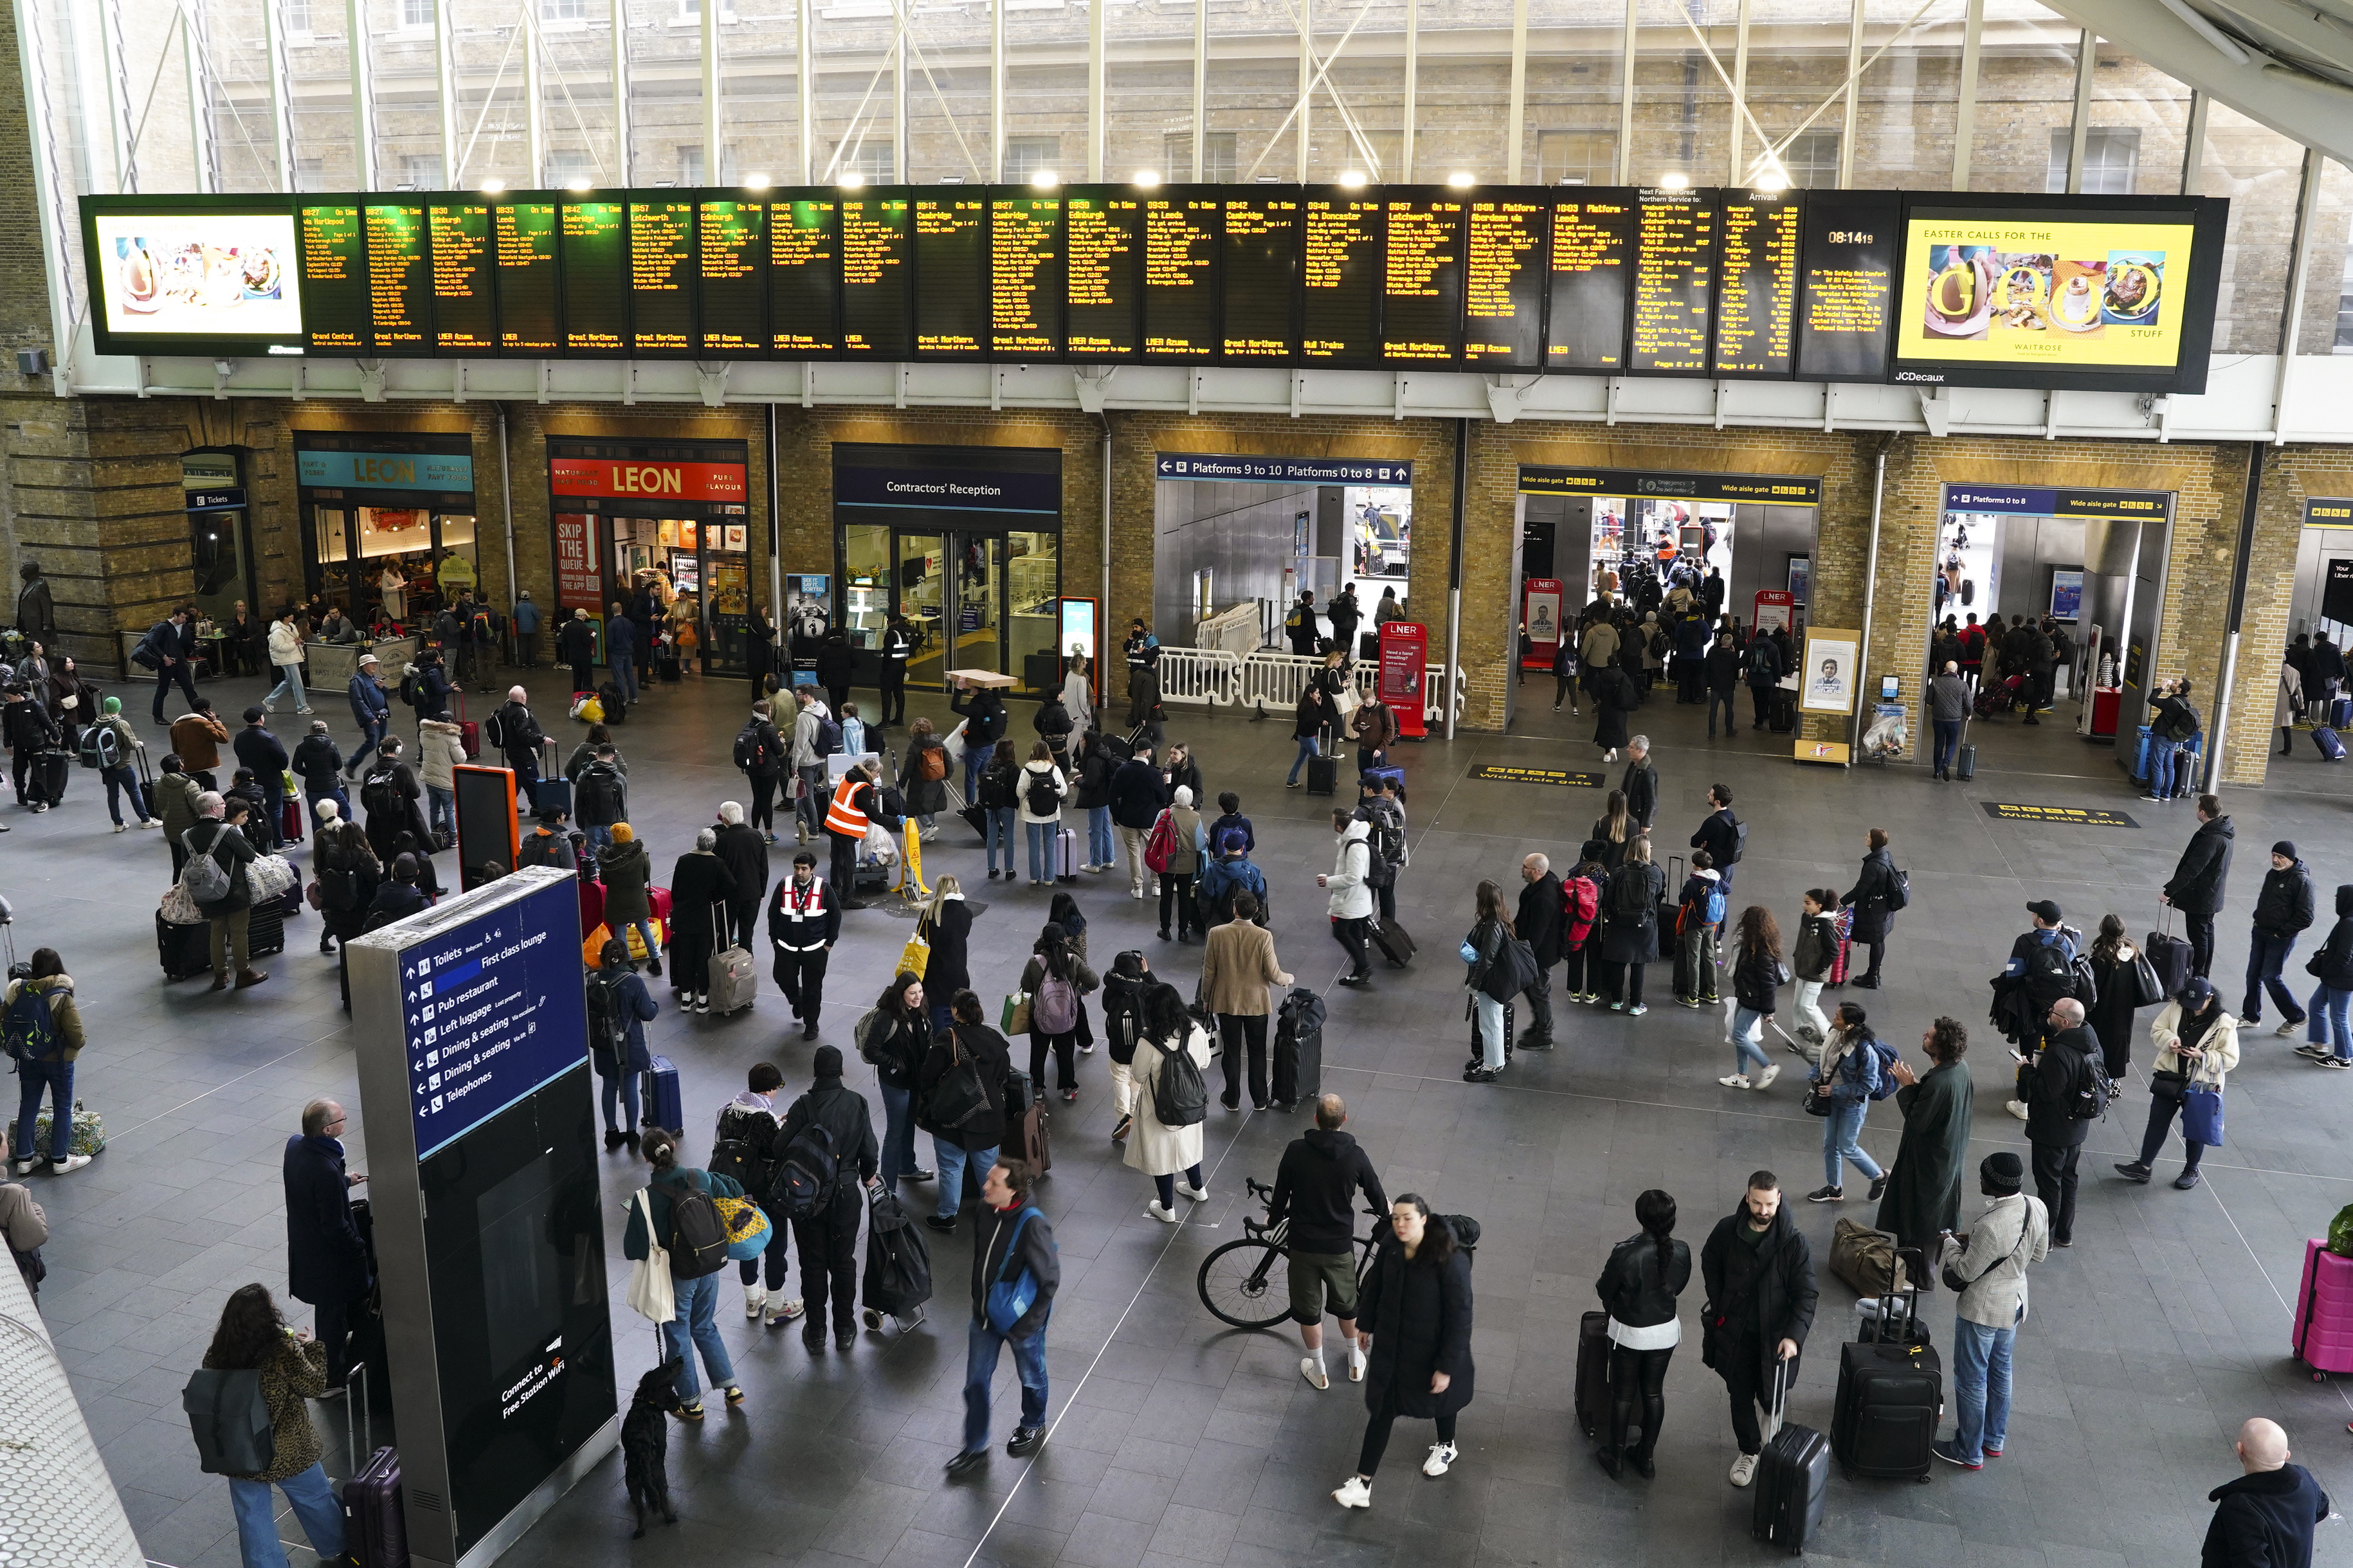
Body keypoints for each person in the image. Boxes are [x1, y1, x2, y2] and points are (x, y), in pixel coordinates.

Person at [1329, 1194, 1475, 1510]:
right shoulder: (1391, 1248)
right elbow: (1376, 1285)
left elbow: (1460, 1318)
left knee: (1441, 1398)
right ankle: (1363, 1484)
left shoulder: (1450, 1260)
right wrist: (1365, 1324)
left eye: (1407, 1218)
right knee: (1382, 1411)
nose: (1399, 1224)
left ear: (1424, 1219)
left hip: (1430, 1353)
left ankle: (1447, 1444)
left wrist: (1446, 1367)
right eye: (1396, 1217)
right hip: (1395, 1351)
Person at [201, 1284, 349, 1568]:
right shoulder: (282, 1351)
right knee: (315, 1498)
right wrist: (313, 1347)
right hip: (288, 1449)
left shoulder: (218, 1353)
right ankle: (337, 1544)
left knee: (252, 1517)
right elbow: (314, 1384)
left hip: (241, 1449)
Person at [1930, 1151, 2049, 1470]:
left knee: (1971, 1380)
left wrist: (1949, 1243)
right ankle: (1993, 1440)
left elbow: (1967, 1272)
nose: (1979, 1180)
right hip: (2014, 1303)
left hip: (1983, 1310)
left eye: (1983, 1177)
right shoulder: (2036, 1206)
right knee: (2001, 1372)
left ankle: (1968, 1450)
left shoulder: (1992, 1224)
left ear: (1994, 1184)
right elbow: (2038, 1256)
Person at [1699, 1171, 1818, 1488]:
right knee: (1739, 1396)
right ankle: (1749, 1451)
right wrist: (1719, 1300)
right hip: (1735, 1334)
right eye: (1756, 1203)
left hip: (1775, 1339)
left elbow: (1806, 1293)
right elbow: (1709, 1260)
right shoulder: (1727, 1230)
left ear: (1779, 1198)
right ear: (1747, 1197)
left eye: (1769, 1203)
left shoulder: (1794, 1243)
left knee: (1771, 1396)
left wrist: (1793, 1336)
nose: (1763, 1211)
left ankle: (1770, 1420)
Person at [943, 1156, 1059, 1476]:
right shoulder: (985, 1210)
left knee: (1031, 1376)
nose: (985, 1186)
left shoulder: (1033, 1224)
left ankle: (1033, 1423)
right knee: (975, 1382)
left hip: (1021, 1321)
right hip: (983, 1316)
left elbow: (1049, 1279)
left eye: (994, 1183)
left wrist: (1029, 1323)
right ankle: (975, 1446)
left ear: (1013, 1191)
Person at [620, 1129, 747, 1419]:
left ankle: (691, 1403)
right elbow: (735, 1189)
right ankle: (731, 1388)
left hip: (679, 1275)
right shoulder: (697, 1176)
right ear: (674, 1147)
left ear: (645, 1159)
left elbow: (633, 1249)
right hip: (709, 1267)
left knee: (678, 1335)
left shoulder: (645, 1199)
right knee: (704, 1326)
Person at [768, 1045, 881, 1351]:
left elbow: (779, 1148)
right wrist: (868, 1175)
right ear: (842, 1072)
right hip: (846, 1194)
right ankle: (844, 1329)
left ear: (815, 1072)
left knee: (813, 1264)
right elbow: (870, 1150)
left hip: (808, 1199)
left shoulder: (803, 1105)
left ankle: (816, 1332)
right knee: (844, 1262)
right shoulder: (857, 1103)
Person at [1271, 1093, 1385, 1391]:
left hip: (1303, 1245)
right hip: (1339, 1246)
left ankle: (1319, 1369)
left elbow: (1281, 1191)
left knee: (1309, 1311)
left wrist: (1272, 1220)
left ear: (1316, 1119)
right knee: (1348, 1305)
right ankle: (1355, 1360)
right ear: (1344, 1120)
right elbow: (1375, 1191)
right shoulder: (1355, 1154)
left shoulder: (1296, 1151)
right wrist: (1386, 1216)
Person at [1593, 1189, 1689, 1481]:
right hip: (1666, 1332)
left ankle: (1616, 1456)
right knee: (1653, 1393)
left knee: (1622, 1395)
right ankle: (1646, 1458)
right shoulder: (1682, 1250)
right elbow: (1679, 1285)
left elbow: (1603, 1290)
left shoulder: (1626, 1253)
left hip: (1629, 1334)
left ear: (1640, 1217)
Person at [2116, 976, 2240, 1191]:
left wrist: (2202, 1056)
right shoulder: (2176, 1007)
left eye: (2198, 1005)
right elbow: (2158, 1029)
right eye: (2189, 1004)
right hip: (2170, 1077)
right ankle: (2144, 1166)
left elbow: (2230, 1059)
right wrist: (2169, 1041)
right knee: (2157, 1122)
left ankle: (2191, 1169)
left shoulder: (2223, 1024)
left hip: (2200, 1085)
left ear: (2210, 999)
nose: (2194, 1009)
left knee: (2196, 1128)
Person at [282, 1097, 369, 1388]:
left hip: (306, 1250)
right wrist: (359, 1246)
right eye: (342, 1119)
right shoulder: (326, 1171)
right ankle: (331, 1379)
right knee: (332, 1316)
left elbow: (309, 1184)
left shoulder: (296, 1145)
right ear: (328, 1130)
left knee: (328, 1310)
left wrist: (345, 1181)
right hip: (330, 1262)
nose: (346, 1120)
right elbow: (335, 1227)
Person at [915, 989, 1011, 1233]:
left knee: (950, 1168)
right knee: (988, 1170)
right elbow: (1002, 1075)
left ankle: (947, 1216)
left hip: (952, 1118)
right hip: (988, 1118)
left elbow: (928, 1075)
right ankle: (994, 1211)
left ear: (955, 1011)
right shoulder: (994, 1039)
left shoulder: (948, 1039)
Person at [1126, 982, 1212, 1220]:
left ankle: (1167, 1208)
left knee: (1161, 1155)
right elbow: (1204, 1063)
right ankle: (1197, 1188)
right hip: (1190, 1101)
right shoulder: (1196, 1030)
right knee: (1188, 1146)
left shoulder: (1148, 1041)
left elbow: (1138, 1075)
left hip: (1158, 1108)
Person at [2199, 1418, 2330, 1567]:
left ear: (2240, 1449)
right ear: (2287, 1455)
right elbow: (2322, 1509)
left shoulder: (2240, 1506)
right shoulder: (2304, 1479)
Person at [5, 950, 87, 1178]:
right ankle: (61, 1159)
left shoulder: (19, 991)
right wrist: (78, 1045)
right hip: (59, 1060)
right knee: (62, 1106)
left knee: (29, 1105)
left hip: (28, 1057)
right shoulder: (62, 994)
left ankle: (25, 1158)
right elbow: (75, 1033)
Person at [2022, 997, 2096, 1247]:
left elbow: (2046, 1092)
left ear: (2064, 1022)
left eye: (2052, 1012)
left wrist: (2026, 1071)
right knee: (2069, 1179)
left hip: (2052, 1129)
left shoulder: (2058, 1052)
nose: (2048, 1013)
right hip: (2076, 1127)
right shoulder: (2092, 1042)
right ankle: (2064, 1233)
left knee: (2049, 1184)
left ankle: (2047, 1237)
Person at [1805, 1003, 1891, 1202]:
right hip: (1831, 1099)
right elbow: (1824, 1060)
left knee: (1846, 1146)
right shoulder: (1834, 1035)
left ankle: (1879, 1176)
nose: (1833, 1019)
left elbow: (1869, 1086)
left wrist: (1835, 1090)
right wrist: (1815, 1080)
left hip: (1852, 1104)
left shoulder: (1865, 1052)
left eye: (1838, 1017)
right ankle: (1834, 1188)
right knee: (1830, 1145)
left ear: (1850, 1025)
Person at [186, 791, 268, 991]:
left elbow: (185, 865)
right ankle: (244, 972)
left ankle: (220, 975)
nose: (225, 806)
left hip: (206, 892)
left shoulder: (187, 834)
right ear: (214, 809)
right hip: (234, 891)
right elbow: (249, 855)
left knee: (216, 933)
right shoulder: (227, 831)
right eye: (222, 804)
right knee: (239, 932)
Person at [862, 975, 936, 1195]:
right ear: (901, 993)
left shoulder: (921, 1011)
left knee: (909, 1124)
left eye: (920, 992)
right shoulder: (887, 1017)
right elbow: (870, 1049)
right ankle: (888, 1188)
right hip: (895, 1082)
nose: (918, 997)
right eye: (912, 993)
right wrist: (895, 1064)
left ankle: (907, 1167)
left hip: (915, 1081)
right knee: (895, 1131)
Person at [586, 939, 658, 1148]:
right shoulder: (633, 981)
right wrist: (654, 1006)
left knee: (609, 1086)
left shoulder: (591, 978)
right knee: (629, 1085)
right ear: (625, 957)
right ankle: (632, 1134)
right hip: (629, 1044)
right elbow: (648, 1013)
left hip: (603, 1044)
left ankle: (611, 1133)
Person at [1019, 923, 1098, 1105]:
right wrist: (1077, 992)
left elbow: (1026, 987)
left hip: (1039, 1015)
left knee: (1038, 1051)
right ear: (1064, 940)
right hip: (1067, 1015)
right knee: (1065, 1051)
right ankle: (1068, 1088)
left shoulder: (1034, 962)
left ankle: (1037, 1087)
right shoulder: (1073, 960)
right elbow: (1094, 982)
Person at [2242, 840, 2315, 1032]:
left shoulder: (2301, 881)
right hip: (2260, 932)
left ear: (2290, 860)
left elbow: (2306, 917)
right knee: (2252, 975)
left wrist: (2281, 932)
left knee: (2270, 977)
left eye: (2280, 857)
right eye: (2274, 855)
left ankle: (2296, 1017)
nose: (2275, 860)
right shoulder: (2272, 874)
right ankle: (2251, 1016)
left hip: (2279, 938)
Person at [2161, 793, 2235, 980]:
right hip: (2212, 895)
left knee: (2199, 936)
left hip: (2201, 897)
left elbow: (2192, 869)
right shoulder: (2223, 831)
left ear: (2202, 813)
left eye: (2197, 808)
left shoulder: (2211, 838)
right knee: (2207, 932)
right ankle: (2203, 974)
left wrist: (2170, 891)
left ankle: (2199, 974)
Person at [669, 827, 737, 1014]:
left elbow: (675, 890)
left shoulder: (683, 861)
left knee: (685, 958)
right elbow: (732, 885)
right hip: (705, 918)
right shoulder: (717, 864)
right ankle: (702, 1001)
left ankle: (685, 998)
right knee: (703, 959)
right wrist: (715, 897)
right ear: (713, 845)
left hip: (683, 916)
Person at [1462, 880, 1520, 1083]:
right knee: (1492, 1021)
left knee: (1490, 1024)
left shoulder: (1492, 925)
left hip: (1491, 983)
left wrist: (1474, 984)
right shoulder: (1499, 920)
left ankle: (1491, 1066)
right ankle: (1493, 1059)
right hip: (1498, 981)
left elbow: (1486, 958)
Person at [1601, 837, 1664, 1015]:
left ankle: (1616, 999)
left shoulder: (1620, 871)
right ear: (1646, 850)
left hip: (1619, 921)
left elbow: (1610, 896)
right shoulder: (1654, 872)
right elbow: (1658, 894)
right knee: (1639, 963)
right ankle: (1636, 1004)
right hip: (1645, 922)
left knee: (1619, 961)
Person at [2298, 884, 2353, 1069]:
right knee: (2316, 1003)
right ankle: (2319, 1045)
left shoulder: (2349, 923)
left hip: (2341, 978)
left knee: (2339, 1016)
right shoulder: (2347, 920)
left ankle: (2343, 1057)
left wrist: (2329, 970)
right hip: (2336, 977)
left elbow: (2345, 955)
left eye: (2339, 898)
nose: (2336, 901)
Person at [1513, 854, 1564, 1050]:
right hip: (1535, 952)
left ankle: (1544, 1034)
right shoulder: (1544, 882)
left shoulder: (1544, 898)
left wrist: (1524, 956)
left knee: (1540, 991)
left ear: (1536, 872)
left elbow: (1537, 934)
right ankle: (1539, 1023)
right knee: (1531, 987)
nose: (1521, 869)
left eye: (1525, 867)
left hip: (1539, 956)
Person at [1322, 807, 1377, 988]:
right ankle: (1361, 972)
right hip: (1358, 898)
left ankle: (1364, 968)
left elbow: (1354, 876)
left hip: (1353, 899)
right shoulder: (1351, 840)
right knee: (1355, 933)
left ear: (1339, 827)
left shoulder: (1354, 846)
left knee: (1340, 931)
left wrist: (1329, 881)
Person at [1840, 827, 1900, 989]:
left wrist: (1842, 902)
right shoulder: (1886, 855)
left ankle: (1872, 977)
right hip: (1883, 907)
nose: (1865, 838)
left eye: (1869, 837)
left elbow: (1861, 890)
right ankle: (1874, 973)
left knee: (1876, 941)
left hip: (1873, 909)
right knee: (1879, 941)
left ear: (1875, 841)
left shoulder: (1873, 865)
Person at [600, 824, 660, 978]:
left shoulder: (608, 856)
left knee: (620, 932)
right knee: (644, 927)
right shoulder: (639, 854)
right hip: (637, 899)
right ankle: (655, 961)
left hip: (616, 901)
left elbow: (603, 879)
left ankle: (628, 963)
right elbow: (647, 876)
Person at [1111, 742, 1168, 898]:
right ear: (1148, 752)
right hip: (1149, 821)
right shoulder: (1154, 773)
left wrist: (1116, 817)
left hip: (1127, 819)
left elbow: (1113, 795)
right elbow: (1164, 797)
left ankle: (1138, 889)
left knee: (1133, 853)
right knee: (1154, 851)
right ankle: (1157, 885)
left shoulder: (1122, 770)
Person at [821, 759, 878, 912]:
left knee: (836, 860)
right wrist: (897, 820)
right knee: (850, 863)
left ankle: (833, 891)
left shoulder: (846, 778)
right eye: (877, 772)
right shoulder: (863, 788)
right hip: (846, 829)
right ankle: (847, 897)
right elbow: (874, 815)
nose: (878, 775)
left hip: (833, 825)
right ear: (870, 771)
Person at [711, 800, 768, 951]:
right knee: (747, 934)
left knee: (725, 934)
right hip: (752, 893)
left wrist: (716, 895)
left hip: (729, 896)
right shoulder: (756, 836)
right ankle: (746, 964)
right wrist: (762, 891)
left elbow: (717, 870)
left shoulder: (722, 840)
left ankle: (724, 966)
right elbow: (763, 867)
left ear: (726, 820)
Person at [231, 708, 291, 851]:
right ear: (261, 718)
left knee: (251, 811)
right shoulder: (269, 738)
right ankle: (278, 842)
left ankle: (253, 840)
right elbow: (283, 761)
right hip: (271, 780)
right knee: (275, 810)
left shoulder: (240, 737)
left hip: (249, 781)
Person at [920, 878, 974, 1034]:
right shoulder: (966, 914)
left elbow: (921, 939)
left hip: (934, 977)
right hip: (958, 976)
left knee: (937, 1026)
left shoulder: (929, 914)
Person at [1015, 741, 1069, 889]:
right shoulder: (1055, 769)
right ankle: (1049, 878)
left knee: (1033, 846)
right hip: (1051, 813)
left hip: (1031, 813)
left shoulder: (1026, 771)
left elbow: (1019, 793)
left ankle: (1034, 877)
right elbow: (1063, 792)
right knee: (1050, 844)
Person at [1156, 785, 1205, 939]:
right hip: (1187, 865)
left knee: (1166, 896)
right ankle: (1183, 931)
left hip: (1166, 863)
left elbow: (1155, 836)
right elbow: (1200, 845)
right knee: (1184, 897)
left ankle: (1165, 929)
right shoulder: (1195, 817)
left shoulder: (1164, 813)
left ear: (1176, 799)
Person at [949, 676, 1008, 802]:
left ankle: (970, 805)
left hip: (976, 747)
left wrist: (959, 688)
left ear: (976, 689)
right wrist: (995, 683)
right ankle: (986, 802)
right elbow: (998, 696)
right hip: (990, 745)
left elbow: (955, 707)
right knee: (984, 775)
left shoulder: (977, 706)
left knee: (970, 778)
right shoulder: (994, 703)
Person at [492, 685, 546, 813]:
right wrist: (541, 739)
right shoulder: (521, 713)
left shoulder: (508, 706)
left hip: (512, 750)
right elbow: (525, 735)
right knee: (531, 781)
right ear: (523, 697)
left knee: (516, 779)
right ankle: (537, 807)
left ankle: (508, 803)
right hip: (524, 754)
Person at [1690, 784, 1743, 908]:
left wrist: (1704, 843)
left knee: (1709, 903)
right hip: (1727, 867)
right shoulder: (1730, 815)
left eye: (1711, 795)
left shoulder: (1713, 822)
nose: (1708, 795)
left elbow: (1694, 842)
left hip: (1715, 868)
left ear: (1717, 801)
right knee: (1719, 900)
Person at [899, 716, 950, 843]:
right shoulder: (938, 742)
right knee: (930, 805)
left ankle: (929, 826)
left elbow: (909, 766)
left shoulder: (914, 746)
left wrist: (902, 781)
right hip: (935, 779)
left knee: (914, 805)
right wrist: (947, 775)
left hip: (919, 780)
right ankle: (930, 834)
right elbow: (948, 759)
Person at [169, 696, 230, 791]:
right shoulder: (203, 723)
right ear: (204, 711)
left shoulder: (176, 725)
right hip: (205, 766)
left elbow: (175, 748)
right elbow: (224, 738)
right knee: (211, 794)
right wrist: (216, 721)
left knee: (193, 793)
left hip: (187, 766)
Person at [1925, 661, 1970, 779]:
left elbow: (1928, 700)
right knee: (1952, 742)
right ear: (1956, 671)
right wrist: (1968, 714)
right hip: (1954, 719)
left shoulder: (1936, 682)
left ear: (1945, 670)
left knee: (1939, 743)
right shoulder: (1963, 684)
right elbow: (1968, 703)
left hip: (1938, 718)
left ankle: (1937, 771)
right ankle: (1946, 763)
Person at [262, 609, 311, 716]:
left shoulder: (291, 626)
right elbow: (279, 647)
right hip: (287, 659)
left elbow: (294, 640)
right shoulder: (278, 632)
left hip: (293, 657)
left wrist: (298, 642)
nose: (292, 616)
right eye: (290, 615)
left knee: (290, 681)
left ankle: (270, 700)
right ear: (285, 618)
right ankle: (302, 706)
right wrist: (294, 643)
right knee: (297, 683)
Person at [1287, 669, 1330, 789]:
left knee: (1301, 758)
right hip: (1308, 737)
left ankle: (1291, 779)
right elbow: (1311, 721)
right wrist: (1321, 722)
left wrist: (1319, 707)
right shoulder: (1308, 708)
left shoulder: (1308, 705)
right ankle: (1324, 780)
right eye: (1316, 693)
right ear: (1311, 695)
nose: (1318, 695)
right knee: (1317, 759)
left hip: (1303, 735)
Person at [877, 610, 917, 726]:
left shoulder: (891, 634)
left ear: (888, 622)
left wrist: (883, 669)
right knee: (899, 692)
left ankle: (885, 721)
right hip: (902, 666)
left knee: (886, 693)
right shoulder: (904, 633)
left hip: (891, 667)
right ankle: (899, 719)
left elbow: (888, 654)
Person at [605, 601, 639, 707]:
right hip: (628, 652)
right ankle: (634, 698)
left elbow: (609, 642)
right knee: (630, 676)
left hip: (617, 653)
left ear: (612, 611)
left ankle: (622, 699)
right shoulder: (629, 622)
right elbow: (634, 636)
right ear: (621, 610)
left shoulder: (611, 624)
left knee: (619, 677)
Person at [556, 608, 596, 694]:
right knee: (587, 678)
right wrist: (592, 638)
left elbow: (564, 643)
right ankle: (586, 697)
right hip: (585, 657)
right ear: (582, 616)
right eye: (585, 616)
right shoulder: (583, 628)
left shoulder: (567, 627)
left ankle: (576, 697)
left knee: (577, 678)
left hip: (573, 656)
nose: (585, 618)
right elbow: (587, 641)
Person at [509, 588, 540, 666]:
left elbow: (514, 616)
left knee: (523, 646)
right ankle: (532, 662)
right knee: (532, 646)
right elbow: (538, 616)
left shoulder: (518, 607)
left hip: (522, 629)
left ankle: (523, 662)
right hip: (532, 629)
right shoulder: (532, 606)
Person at [1287, 591, 1321, 656]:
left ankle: (1295, 667)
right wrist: (1318, 635)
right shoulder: (1309, 611)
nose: (1313, 599)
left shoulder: (1296, 608)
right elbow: (1312, 626)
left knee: (1296, 659)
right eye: (1312, 598)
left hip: (1296, 638)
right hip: (1307, 639)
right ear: (1308, 600)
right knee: (1310, 660)